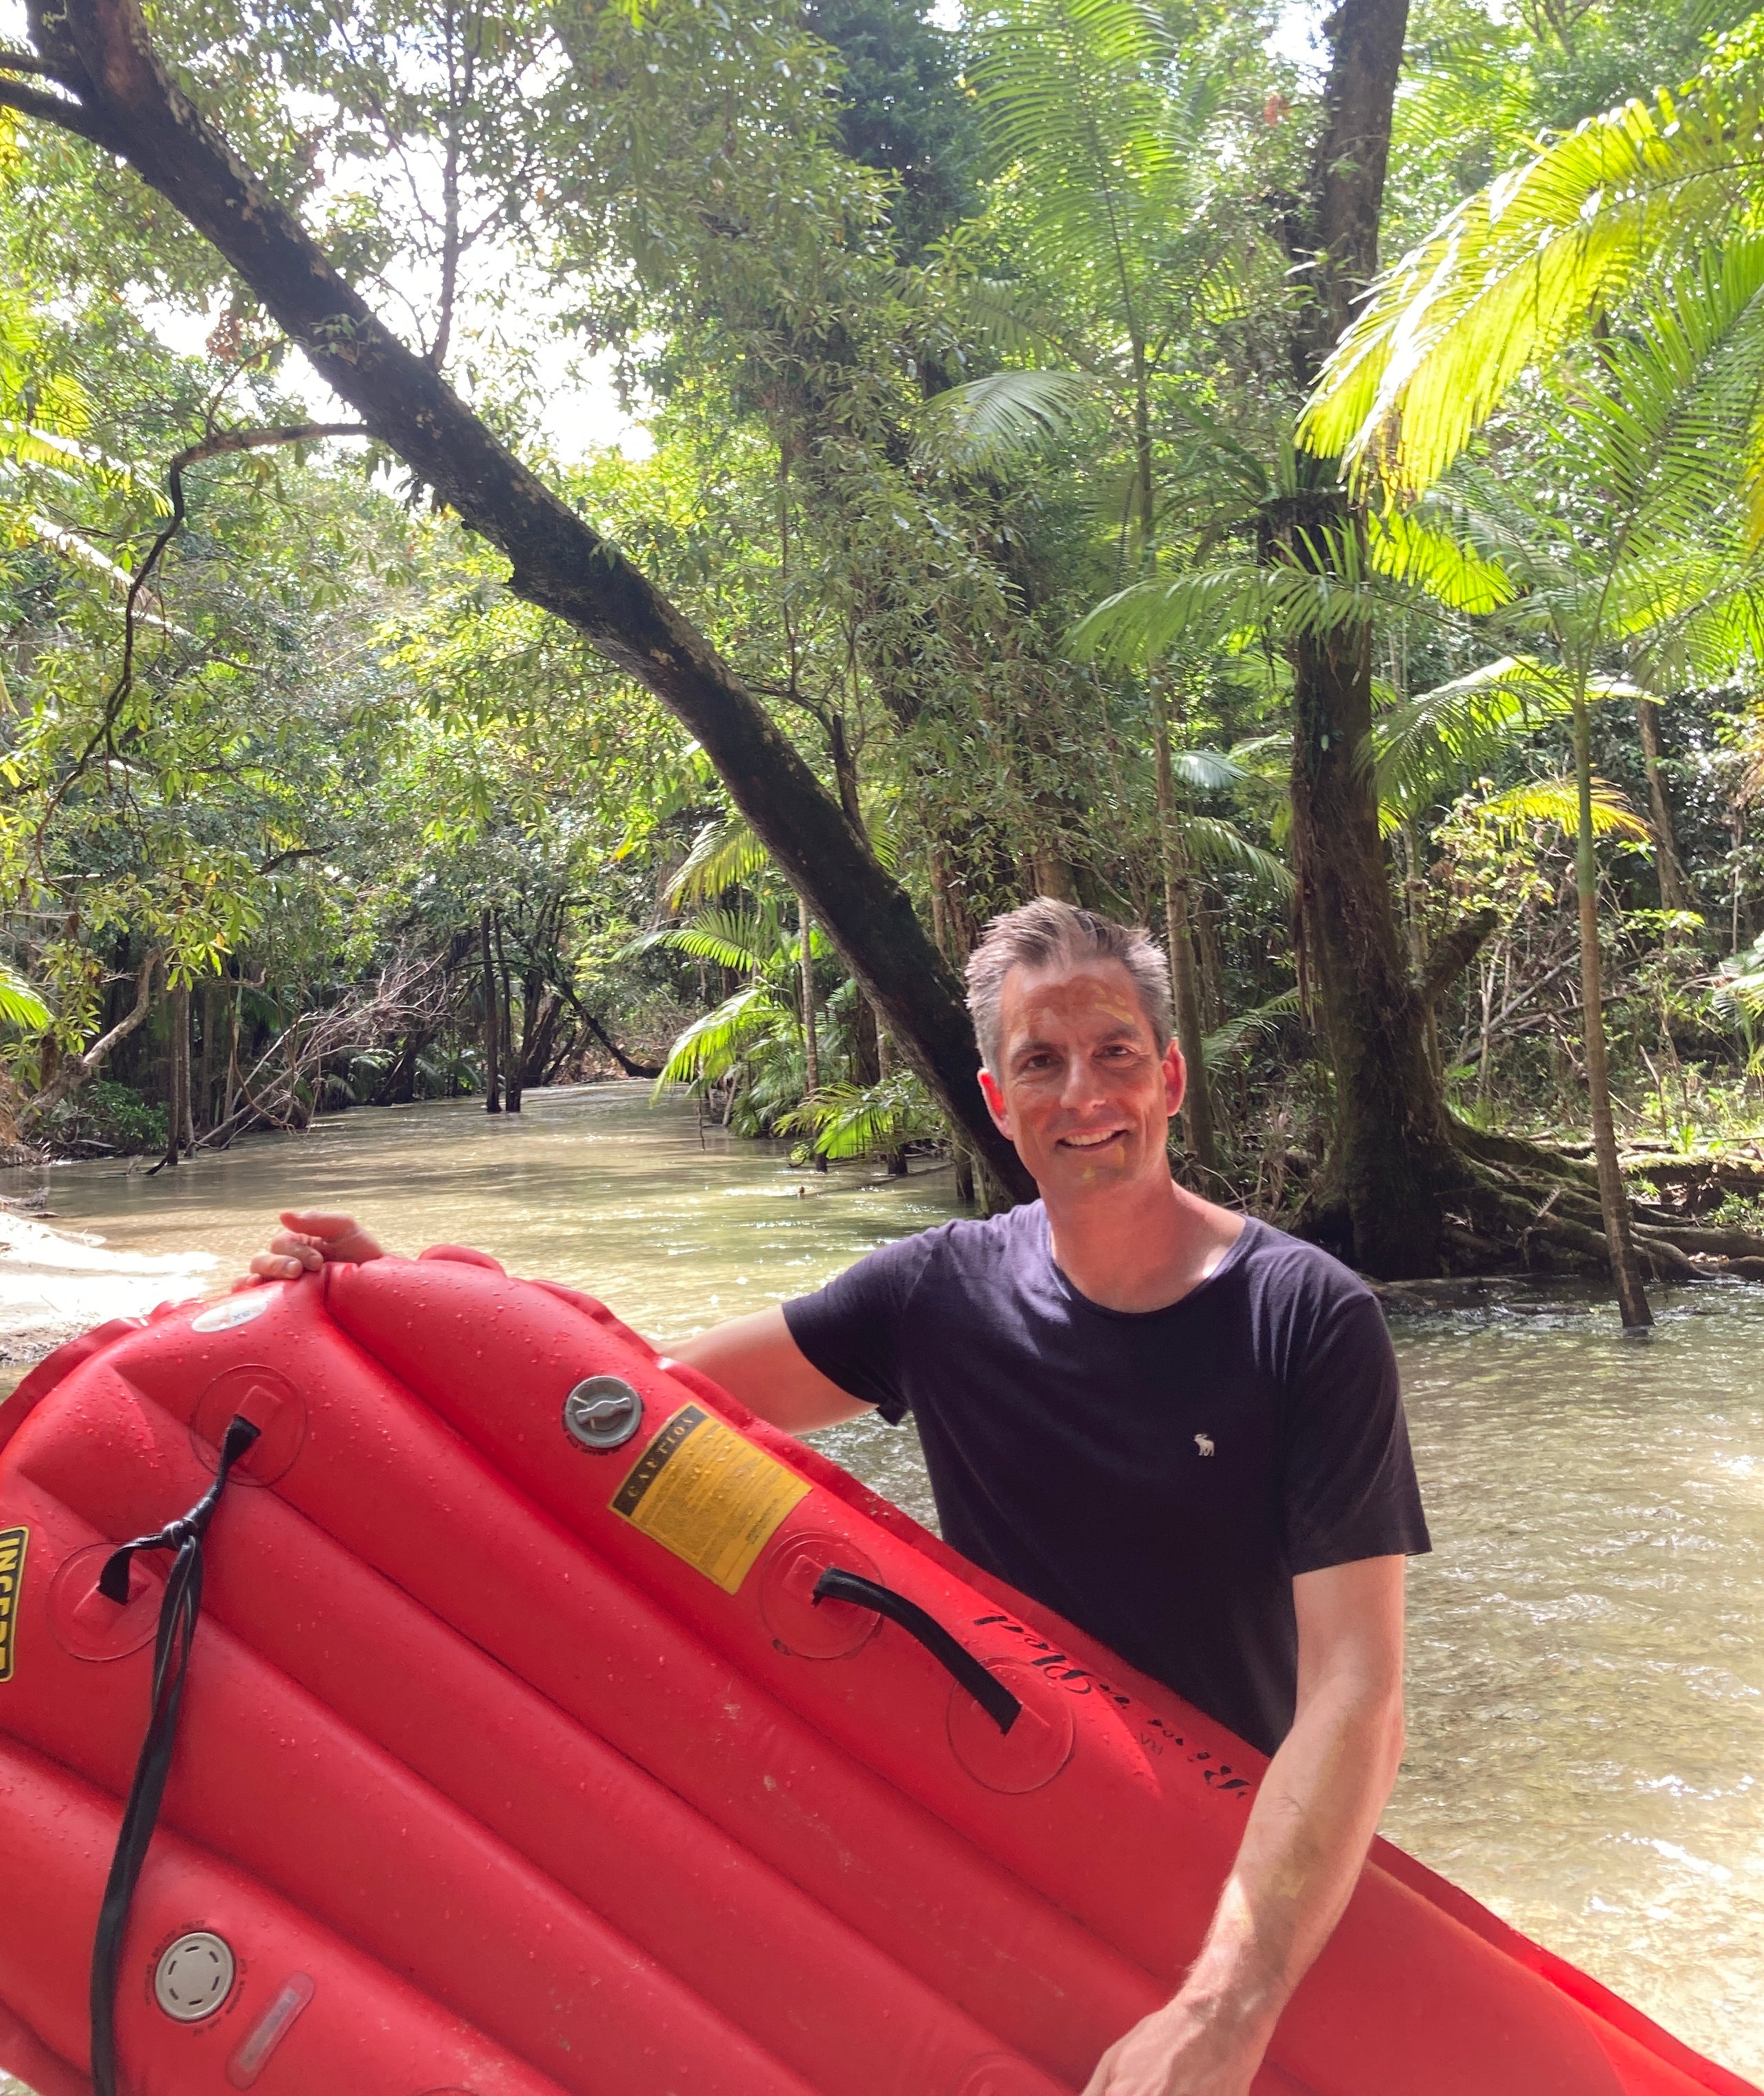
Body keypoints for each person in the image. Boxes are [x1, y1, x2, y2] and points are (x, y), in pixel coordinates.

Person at [247, 897, 1427, 2096]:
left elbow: (1357, 1688)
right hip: (1008, 1868)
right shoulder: (938, 1298)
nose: (1085, 1094)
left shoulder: (1309, 1321)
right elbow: (631, 1407)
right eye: (1042, 1062)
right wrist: (397, 1301)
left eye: (1115, 1052)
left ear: (1170, 1076)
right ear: (994, 1099)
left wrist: (1225, 2007)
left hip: (1229, 1872)